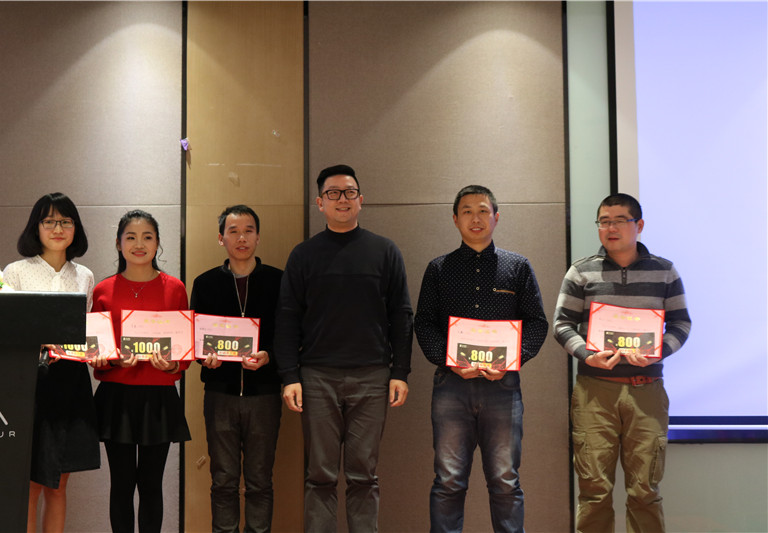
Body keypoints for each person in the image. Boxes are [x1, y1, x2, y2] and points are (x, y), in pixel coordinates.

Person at [274, 164, 414, 533]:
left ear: (361, 200)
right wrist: (290, 376)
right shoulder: (303, 255)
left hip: (372, 376)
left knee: (364, 475)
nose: (342, 199)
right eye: (333, 193)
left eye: (349, 192)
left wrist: (400, 372)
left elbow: (401, 316)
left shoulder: (385, 251)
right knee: (319, 475)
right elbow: (286, 318)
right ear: (320, 203)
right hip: (316, 376)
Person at [553, 193, 691, 533]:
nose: (610, 228)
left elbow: (680, 324)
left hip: (647, 392)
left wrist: (658, 352)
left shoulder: (664, 271)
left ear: (638, 225)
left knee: (645, 491)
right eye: (604, 221)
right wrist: (587, 354)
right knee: (594, 491)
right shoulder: (581, 271)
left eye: (619, 221)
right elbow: (561, 325)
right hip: (594, 393)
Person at [414, 185, 548, 533]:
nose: (476, 218)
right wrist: (448, 360)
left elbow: (537, 322)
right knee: (448, 480)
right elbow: (424, 323)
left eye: (483, 211)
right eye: (467, 211)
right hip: (451, 386)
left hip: (502, 387)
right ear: (455, 219)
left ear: (496, 217)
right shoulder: (438, 268)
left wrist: (513, 359)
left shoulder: (517, 266)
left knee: (505, 480)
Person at [3, 192, 100, 533]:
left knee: (59, 484)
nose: (58, 228)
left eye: (65, 221)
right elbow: (7, 333)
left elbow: (88, 331)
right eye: (49, 221)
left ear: (75, 228)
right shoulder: (15, 272)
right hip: (32, 384)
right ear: (36, 227)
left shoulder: (85, 276)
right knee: (30, 484)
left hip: (72, 383)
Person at [89, 210, 191, 533]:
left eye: (147, 237)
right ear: (118, 244)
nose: (139, 244)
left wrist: (173, 364)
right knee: (121, 484)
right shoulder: (103, 290)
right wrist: (112, 360)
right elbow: (96, 351)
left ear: (158, 243)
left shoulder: (175, 288)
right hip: (116, 397)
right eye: (130, 237)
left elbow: (185, 349)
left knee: (151, 484)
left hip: (158, 396)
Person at [190, 205, 284, 533]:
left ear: (258, 237)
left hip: (265, 395)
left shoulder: (278, 281)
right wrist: (205, 358)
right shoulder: (205, 283)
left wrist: (270, 356)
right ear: (221, 238)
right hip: (220, 394)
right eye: (233, 231)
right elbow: (196, 337)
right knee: (223, 481)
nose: (241, 238)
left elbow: (290, 334)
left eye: (248, 231)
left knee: (260, 481)